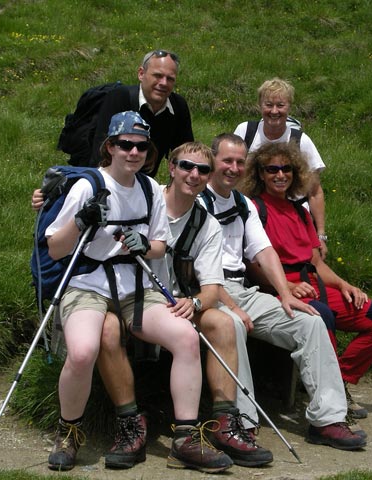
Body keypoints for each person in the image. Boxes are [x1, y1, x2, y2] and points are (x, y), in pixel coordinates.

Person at [44, 111, 232, 473]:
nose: (133, 152)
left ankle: (186, 439)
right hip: (88, 285)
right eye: (125, 144)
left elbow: (160, 245)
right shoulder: (89, 186)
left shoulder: (148, 189)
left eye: (141, 146)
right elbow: (55, 248)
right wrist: (81, 221)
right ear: (110, 147)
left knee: (185, 338)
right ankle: (69, 432)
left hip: (137, 286)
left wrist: (144, 245)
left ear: (149, 152)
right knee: (82, 352)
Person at [98, 142, 273, 469]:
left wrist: (192, 303)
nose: (194, 175)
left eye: (203, 170)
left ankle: (222, 423)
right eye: (186, 167)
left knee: (223, 323)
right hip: (129, 296)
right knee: (107, 329)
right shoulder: (146, 202)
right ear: (171, 168)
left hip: (179, 303)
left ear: (209, 176)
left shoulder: (207, 224)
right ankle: (131, 424)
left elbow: (212, 290)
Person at [203, 133, 367, 450]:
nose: (233, 168)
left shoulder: (243, 204)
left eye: (239, 162)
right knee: (232, 325)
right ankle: (241, 422)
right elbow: (197, 266)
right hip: (209, 290)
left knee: (310, 320)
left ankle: (328, 419)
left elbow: (263, 251)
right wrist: (231, 305)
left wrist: (286, 292)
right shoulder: (199, 200)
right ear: (213, 162)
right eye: (227, 161)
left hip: (241, 288)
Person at [241, 142, 372, 420]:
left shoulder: (301, 212)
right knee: (321, 316)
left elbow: (316, 263)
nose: (280, 175)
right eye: (272, 169)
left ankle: (342, 381)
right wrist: (287, 287)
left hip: (314, 284)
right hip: (279, 288)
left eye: (286, 168)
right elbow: (253, 266)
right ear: (260, 174)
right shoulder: (254, 209)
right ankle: (332, 399)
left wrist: (343, 285)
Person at [234, 78, 328, 258]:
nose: (274, 111)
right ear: (260, 105)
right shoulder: (245, 131)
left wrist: (321, 234)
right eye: (268, 105)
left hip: (293, 216)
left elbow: (315, 192)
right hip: (253, 212)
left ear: (289, 107)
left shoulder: (302, 141)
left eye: (280, 105)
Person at [89, 50, 194, 175]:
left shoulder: (178, 106)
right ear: (141, 74)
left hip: (145, 184)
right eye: (158, 76)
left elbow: (186, 155)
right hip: (109, 179)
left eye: (170, 79)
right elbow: (101, 152)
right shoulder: (120, 98)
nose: (163, 83)